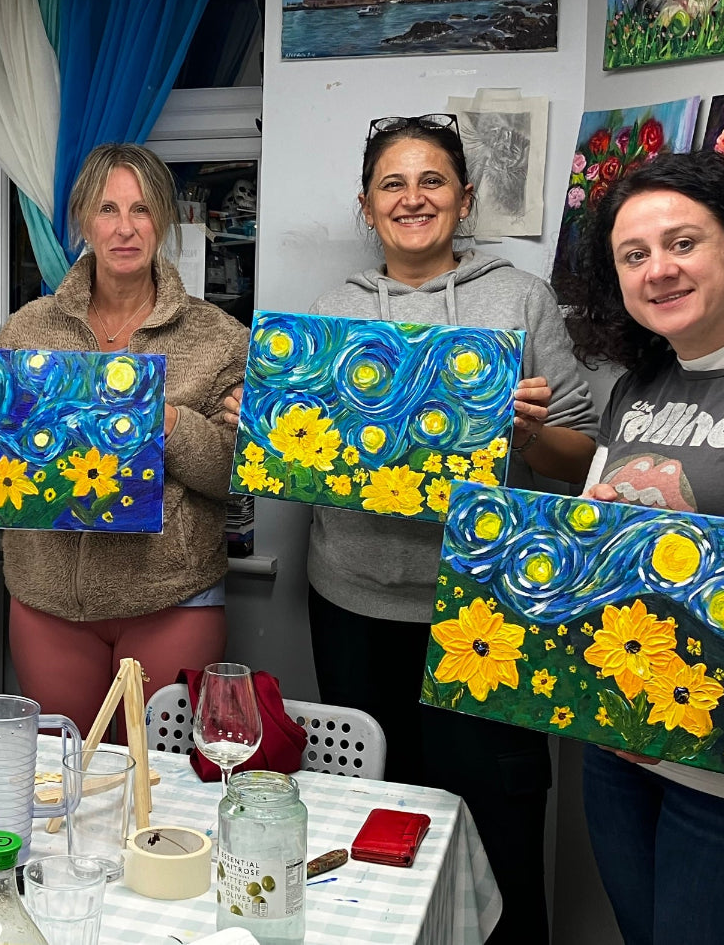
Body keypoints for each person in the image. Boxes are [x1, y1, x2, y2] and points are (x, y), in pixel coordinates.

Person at [226, 114, 597, 945]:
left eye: (432, 180)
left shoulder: (519, 298)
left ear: (465, 197)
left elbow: (584, 463)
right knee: (372, 820)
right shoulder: (331, 312)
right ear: (367, 205)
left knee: (495, 826)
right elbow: (303, 458)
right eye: (392, 183)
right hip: (351, 602)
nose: (412, 197)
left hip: (487, 612)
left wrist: (529, 434)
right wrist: (265, 425)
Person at [557, 150, 724, 945]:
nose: (658, 270)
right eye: (633, 255)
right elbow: (594, 545)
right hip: (627, 747)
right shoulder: (639, 385)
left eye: (683, 243)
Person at [0, 143, 247, 737]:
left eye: (142, 210)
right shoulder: (28, 328)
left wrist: (170, 423)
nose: (126, 228)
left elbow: (231, 480)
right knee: (67, 776)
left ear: (164, 220)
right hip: (48, 599)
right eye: (108, 209)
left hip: (171, 599)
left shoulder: (219, 336)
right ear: (84, 220)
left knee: (157, 786)